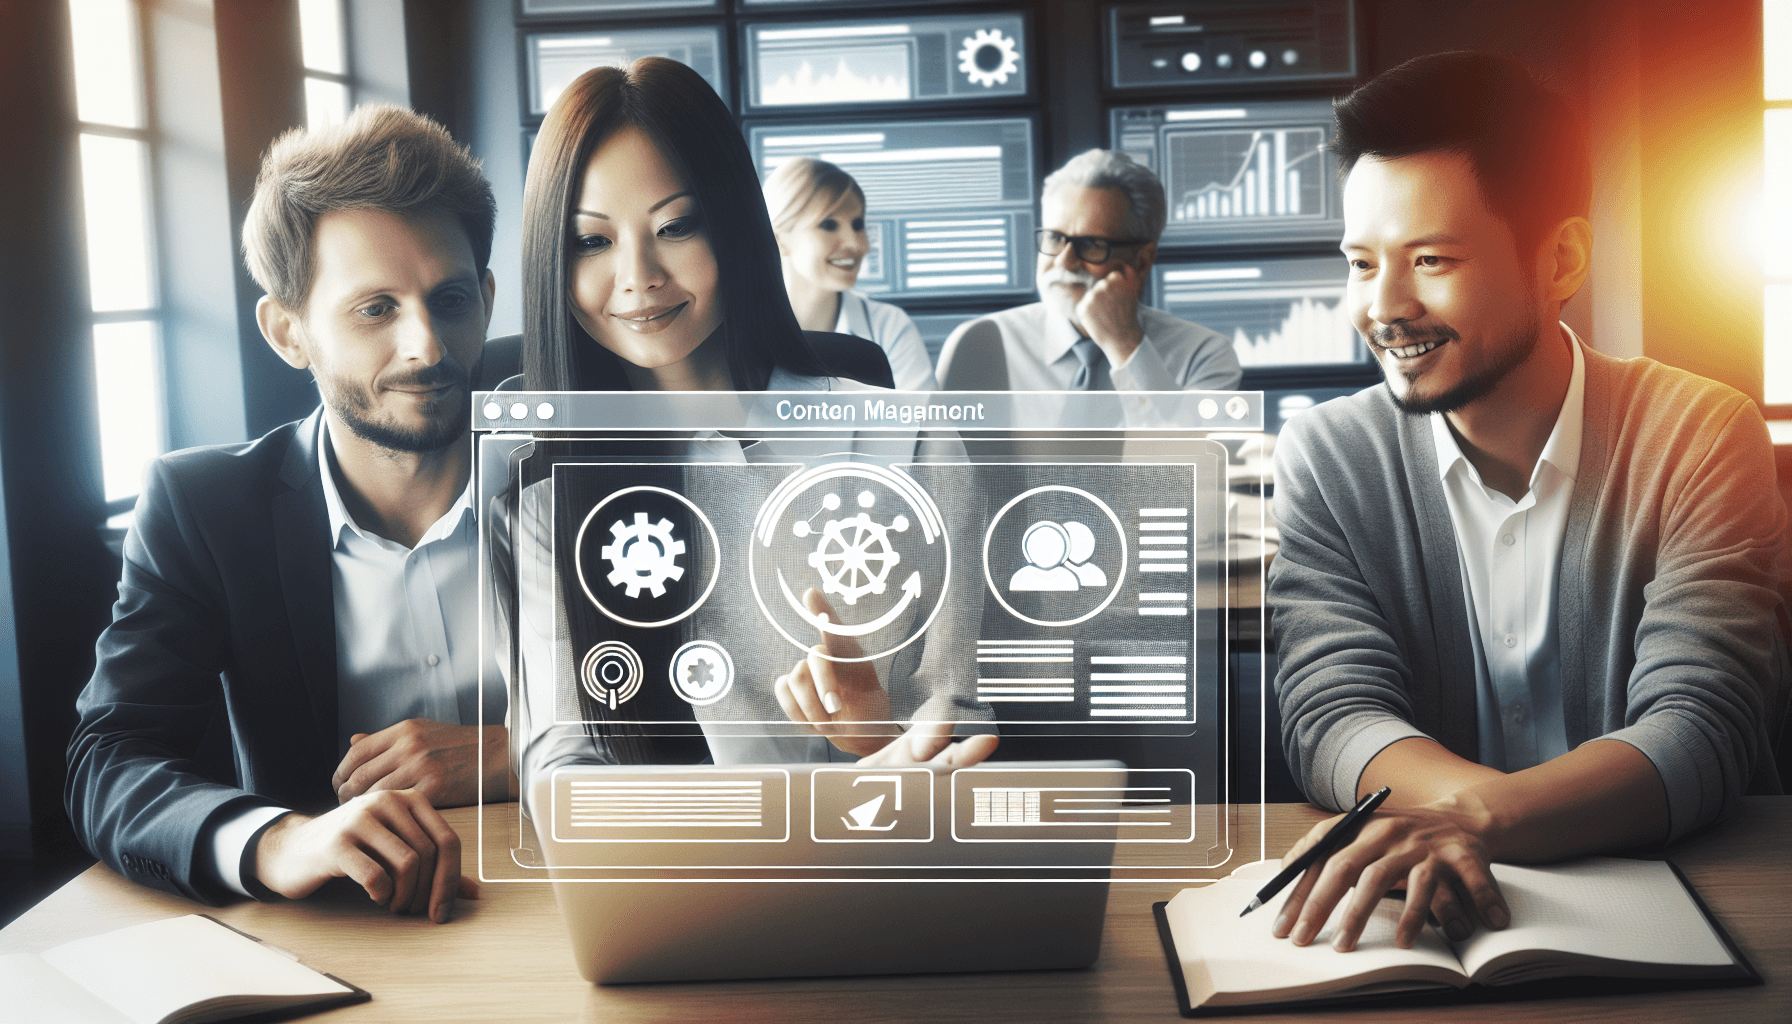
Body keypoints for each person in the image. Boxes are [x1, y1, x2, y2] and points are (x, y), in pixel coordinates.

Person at [1267, 51, 1789, 956]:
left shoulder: (1699, 432)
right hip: (1424, 921)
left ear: (1562, 259)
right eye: (1360, 263)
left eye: (1430, 259)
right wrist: (1463, 827)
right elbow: (1331, 710)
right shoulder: (1329, 454)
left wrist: (1475, 817)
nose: (1383, 306)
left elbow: (1704, 723)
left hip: (1701, 907)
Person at [66, 105, 506, 924]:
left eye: (449, 300)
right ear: (288, 332)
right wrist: (278, 841)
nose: (429, 348)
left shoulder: (579, 475)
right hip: (342, 928)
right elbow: (110, 757)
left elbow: (708, 715)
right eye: (375, 309)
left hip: (572, 897)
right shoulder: (204, 508)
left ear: (484, 296)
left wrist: (518, 756)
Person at [508, 57, 993, 779]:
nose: (638, 276)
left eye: (676, 226)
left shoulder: (909, 441)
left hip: (881, 864)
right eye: (592, 241)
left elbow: (964, 733)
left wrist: (878, 734)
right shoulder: (549, 491)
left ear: (733, 227)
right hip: (667, 879)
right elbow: (561, 759)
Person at [935, 149, 1241, 392]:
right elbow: (939, 470)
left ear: (1142, 260)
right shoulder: (980, 345)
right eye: (1055, 238)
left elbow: (1194, 465)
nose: (1065, 261)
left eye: (1092, 244)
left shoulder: (1204, 355)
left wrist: (1125, 346)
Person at [763, 157, 939, 391]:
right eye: (828, 225)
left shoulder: (889, 326)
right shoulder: (732, 329)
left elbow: (928, 425)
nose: (856, 244)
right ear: (778, 239)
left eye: (857, 224)